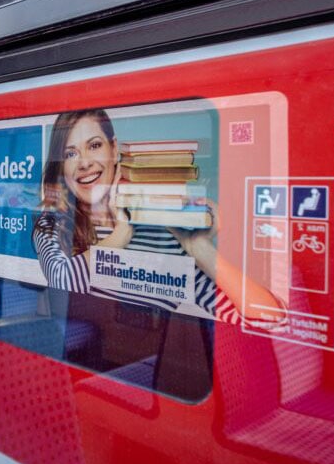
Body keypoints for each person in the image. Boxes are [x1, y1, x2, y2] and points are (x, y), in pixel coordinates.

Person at [32, 109, 285, 326]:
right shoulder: (54, 224)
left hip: (142, 375)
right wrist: (121, 234)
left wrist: (199, 249)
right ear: (61, 166)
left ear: (115, 149)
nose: (84, 162)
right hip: (76, 366)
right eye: (70, 153)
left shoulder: (159, 236)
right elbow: (60, 277)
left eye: (94, 145)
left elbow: (270, 320)